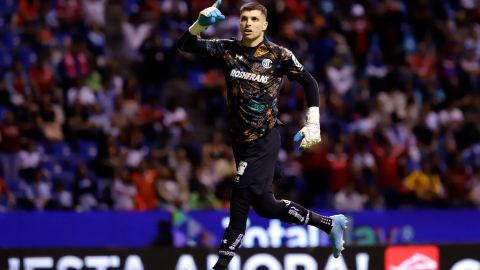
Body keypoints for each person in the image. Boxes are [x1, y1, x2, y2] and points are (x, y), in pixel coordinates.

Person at [177, 1, 347, 269]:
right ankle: (329, 223)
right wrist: (199, 24)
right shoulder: (228, 49)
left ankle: (221, 265)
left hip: (265, 138)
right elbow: (186, 45)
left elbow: (309, 82)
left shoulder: (278, 55)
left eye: (255, 19)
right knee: (266, 206)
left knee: (240, 198)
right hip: (240, 141)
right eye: (244, 18)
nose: (248, 23)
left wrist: (313, 123)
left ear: (264, 24)